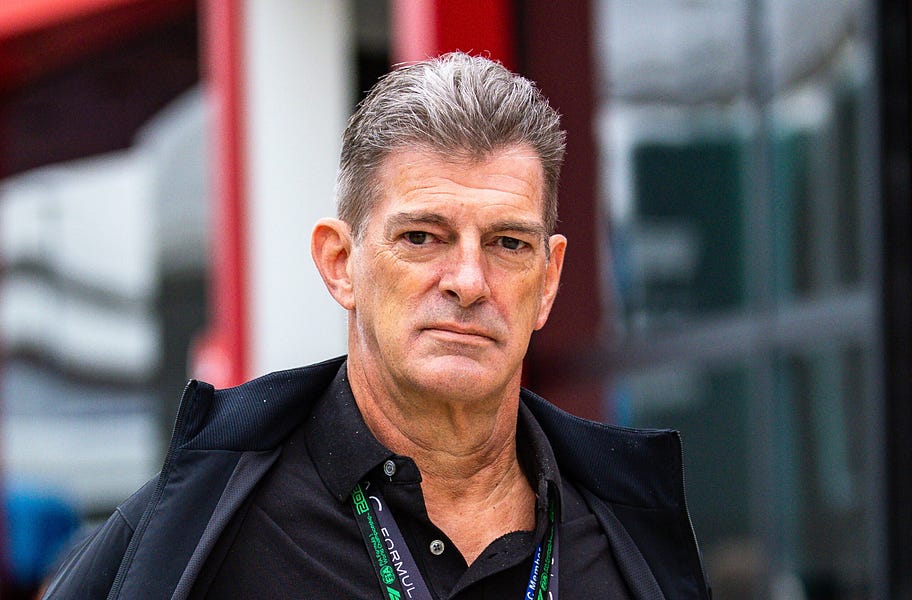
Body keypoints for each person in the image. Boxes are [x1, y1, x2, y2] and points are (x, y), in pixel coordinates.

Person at [42, 52, 710, 599]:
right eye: (422, 237)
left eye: (508, 243)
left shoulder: (628, 543)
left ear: (549, 279)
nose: (469, 281)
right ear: (341, 264)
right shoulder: (194, 533)